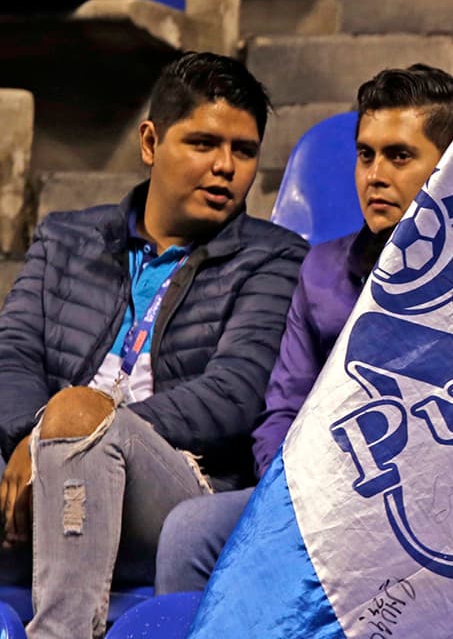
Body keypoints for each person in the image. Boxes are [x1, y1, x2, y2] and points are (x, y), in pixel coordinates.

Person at [0, 52, 307, 639]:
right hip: (42, 456)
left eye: (244, 151)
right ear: (150, 141)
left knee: (80, 413)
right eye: (203, 143)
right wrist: (36, 438)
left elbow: (233, 394)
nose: (225, 167)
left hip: (178, 480)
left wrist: (80, 421)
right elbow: (12, 355)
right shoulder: (65, 238)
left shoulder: (276, 258)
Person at [154, 63, 453, 594]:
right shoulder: (321, 270)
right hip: (324, 496)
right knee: (192, 531)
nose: (375, 175)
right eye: (366, 154)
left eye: (399, 156)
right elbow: (283, 408)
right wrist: (292, 491)